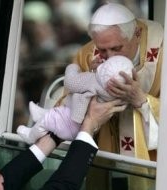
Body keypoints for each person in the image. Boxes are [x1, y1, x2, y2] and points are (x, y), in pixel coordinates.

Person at [64, 2, 162, 190]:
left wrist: (142, 101)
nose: (108, 57)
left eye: (117, 49)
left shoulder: (166, 54)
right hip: (103, 154)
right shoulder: (87, 55)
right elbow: (66, 108)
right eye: (102, 50)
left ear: (137, 35)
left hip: (152, 163)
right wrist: (91, 83)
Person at [0, 97, 125, 190]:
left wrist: (54, 137)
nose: (3, 181)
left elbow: (10, 178)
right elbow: (62, 187)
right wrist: (89, 124)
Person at [17, 55, 133, 144]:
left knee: (46, 122)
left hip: (71, 124)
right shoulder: (119, 95)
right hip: (79, 126)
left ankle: (30, 135)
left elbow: (70, 83)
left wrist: (72, 67)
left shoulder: (92, 81)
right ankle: (42, 113)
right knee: (54, 114)